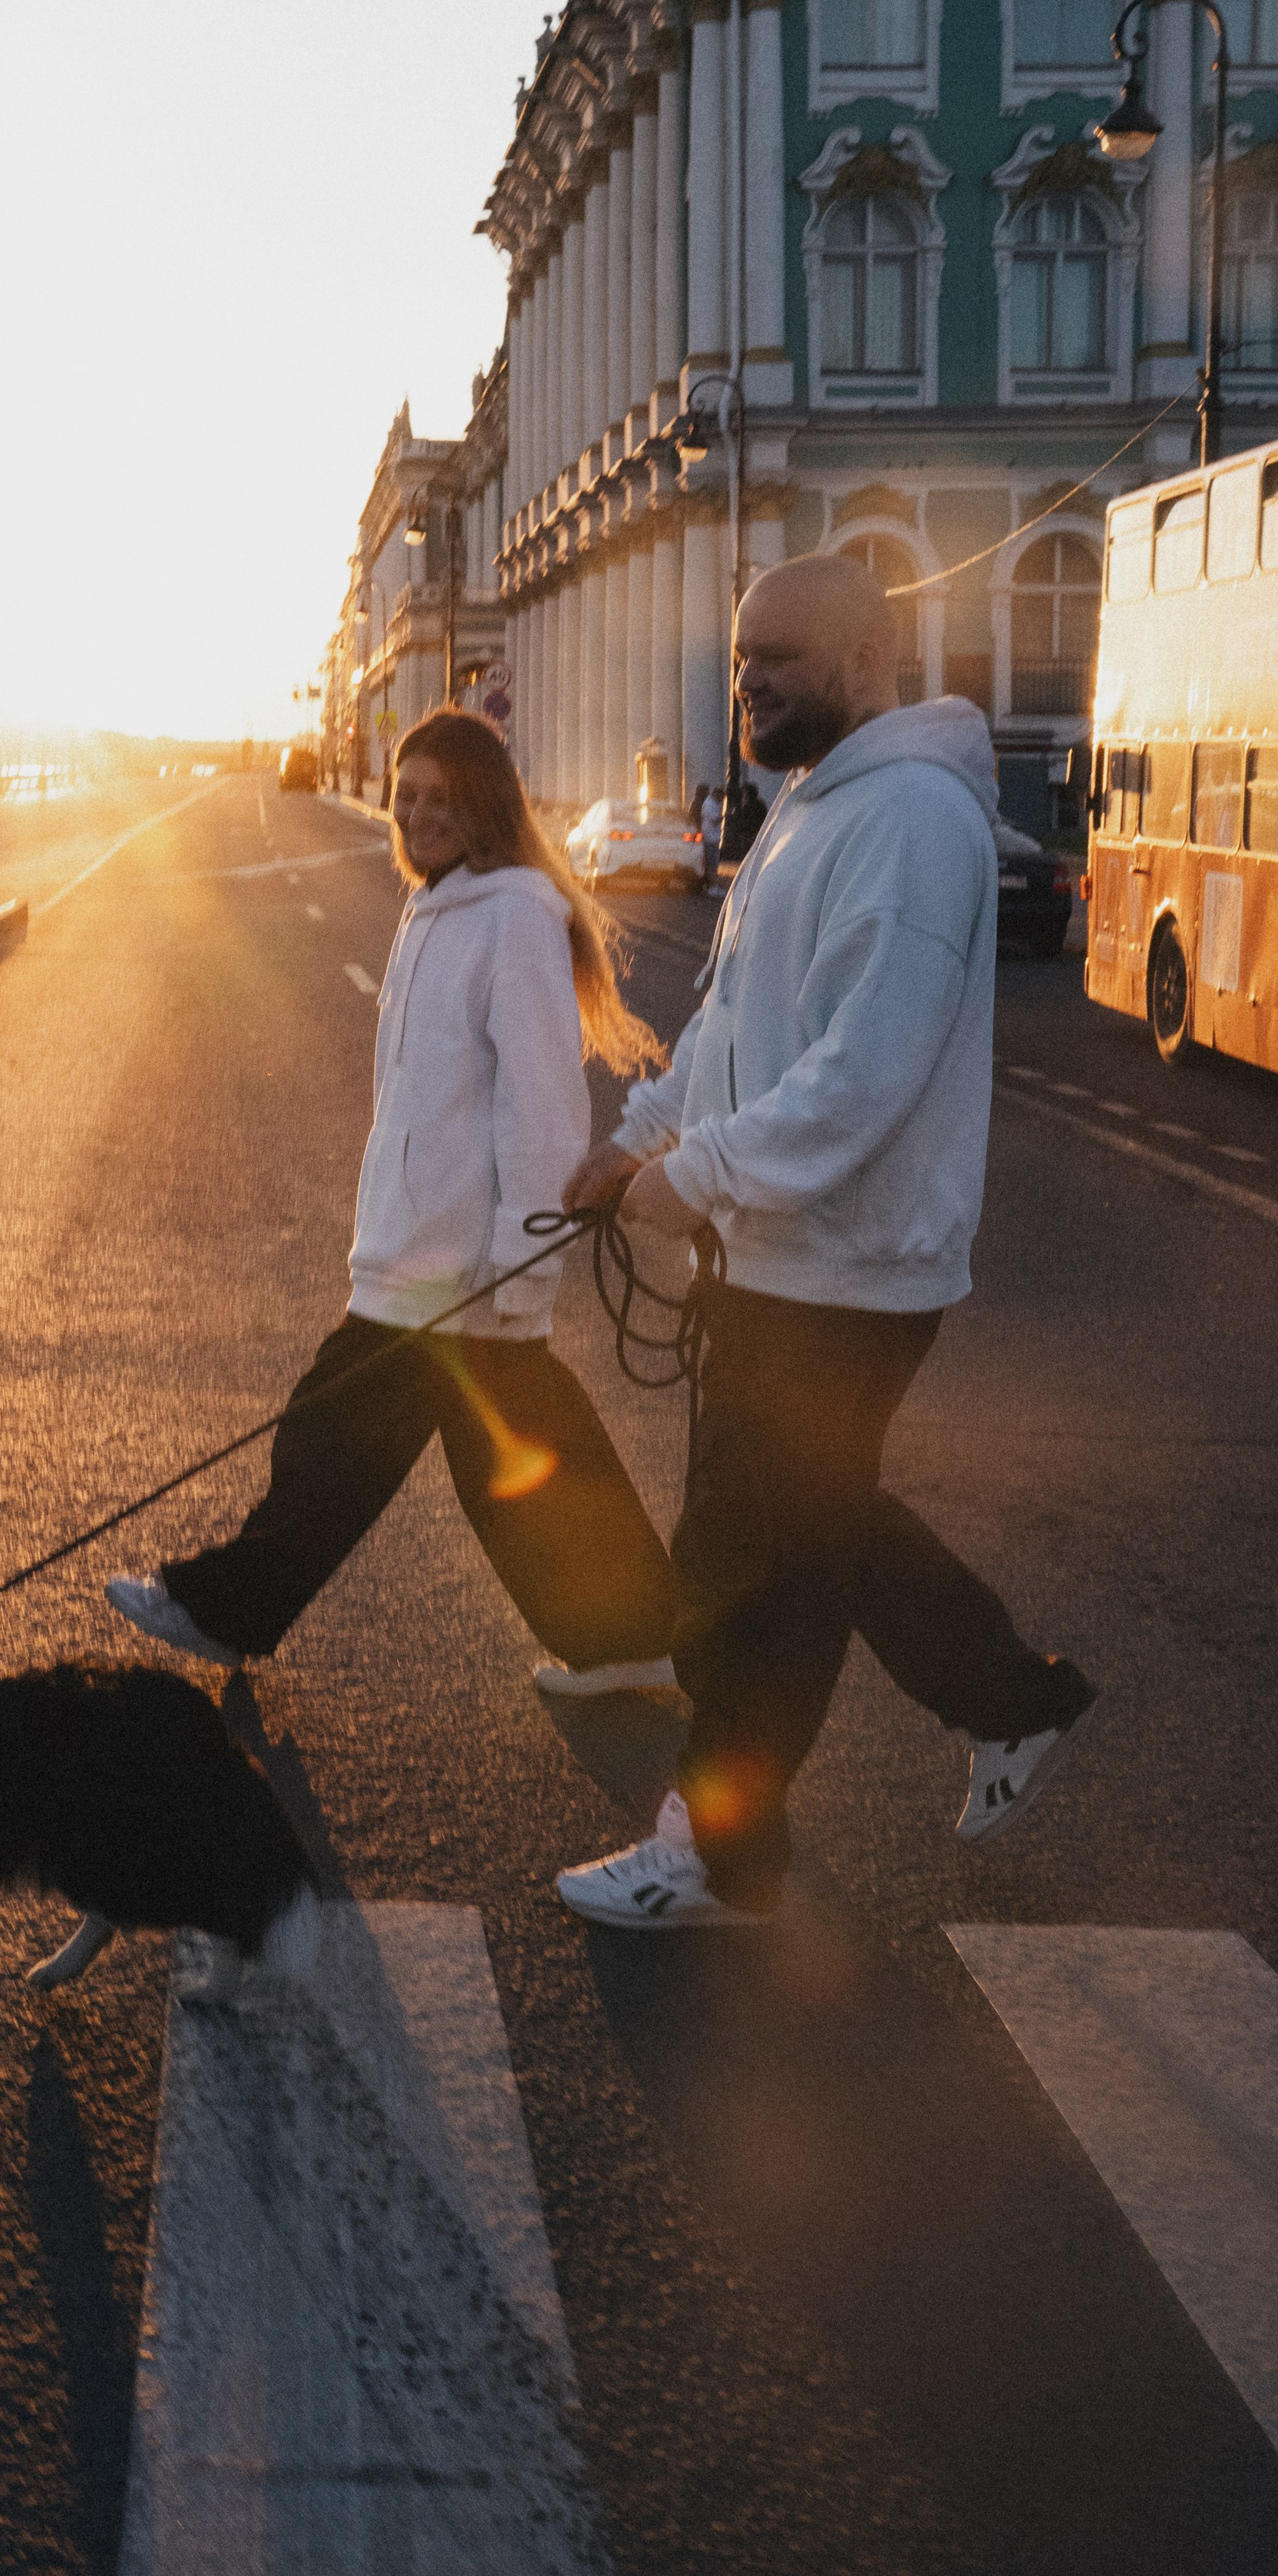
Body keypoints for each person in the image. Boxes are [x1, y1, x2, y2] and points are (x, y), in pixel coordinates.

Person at [554, 554, 1097, 1929]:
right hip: (784, 1256)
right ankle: (1013, 1700)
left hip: (846, 1270)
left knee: (754, 1576)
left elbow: (866, 1074)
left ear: (866, 658)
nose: (750, 682)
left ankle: (719, 1856)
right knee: (817, 1527)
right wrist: (643, 1136)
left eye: (778, 657)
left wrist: (700, 1175)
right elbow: (736, 1025)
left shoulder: (912, 818)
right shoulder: (807, 804)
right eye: (742, 659)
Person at [104, 704, 678, 1688]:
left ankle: (225, 1609)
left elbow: (541, 1107)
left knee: (333, 1439)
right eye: (406, 796)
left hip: (455, 1268)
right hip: (423, 1250)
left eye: (441, 798)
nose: (417, 815)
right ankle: (636, 1637)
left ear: (486, 805)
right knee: (517, 1463)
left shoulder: (512, 918)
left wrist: (519, 1267)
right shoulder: (439, 906)